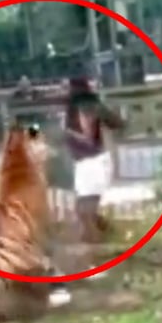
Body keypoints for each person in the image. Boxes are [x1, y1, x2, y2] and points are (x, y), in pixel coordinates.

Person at [62, 76, 124, 244]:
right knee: (85, 212)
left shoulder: (84, 106)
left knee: (85, 212)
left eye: (66, 87)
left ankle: (96, 249)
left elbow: (88, 138)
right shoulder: (86, 105)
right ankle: (110, 237)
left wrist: (67, 133)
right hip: (88, 162)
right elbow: (117, 123)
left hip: (93, 162)